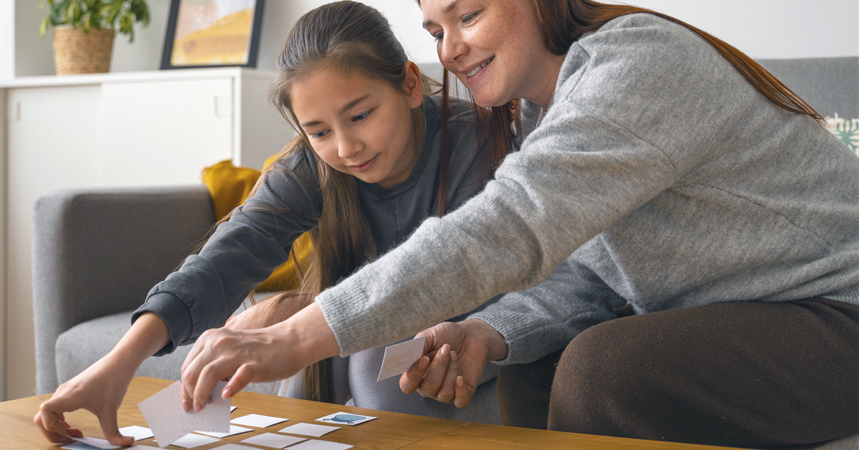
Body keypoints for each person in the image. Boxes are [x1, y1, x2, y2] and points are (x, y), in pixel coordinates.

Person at [176, 0, 859, 448]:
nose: (449, 48)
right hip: (758, 317)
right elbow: (592, 279)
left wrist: (297, 334)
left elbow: (506, 226)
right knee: (539, 359)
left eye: (467, 14)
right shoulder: (545, 111)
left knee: (599, 368)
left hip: (837, 312)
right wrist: (488, 332)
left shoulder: (639, 64)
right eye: (435, 31)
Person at [34, 2, 512, 445]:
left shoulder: (475, 141)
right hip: (372, 325)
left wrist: (296, 315)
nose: (347, 148)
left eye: (361, 115)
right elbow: (226, 257)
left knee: (369, 356)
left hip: (479, 324)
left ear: (409, 84)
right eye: (319, 131)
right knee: (279, 342)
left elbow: (460, 280)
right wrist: (119, 362)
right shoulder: (315, 166)